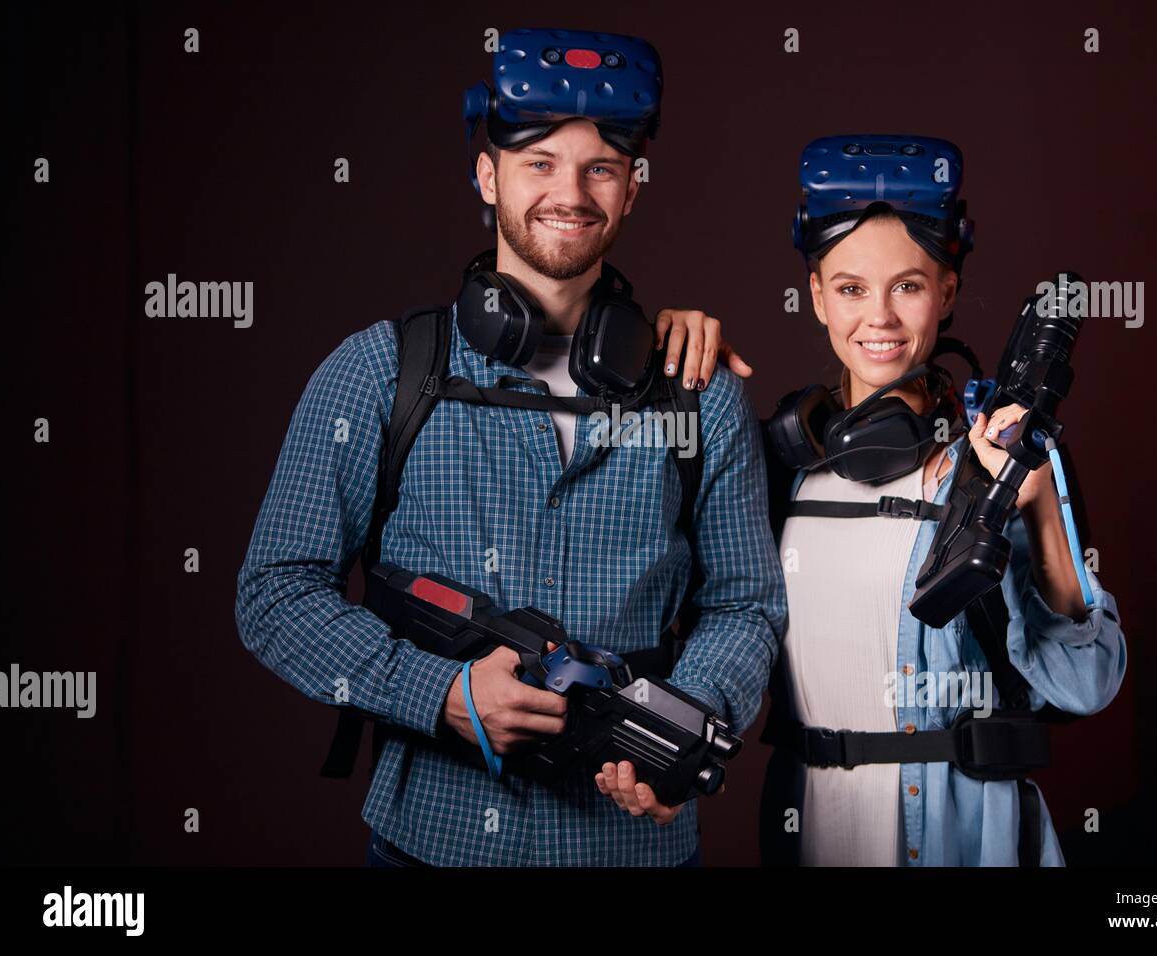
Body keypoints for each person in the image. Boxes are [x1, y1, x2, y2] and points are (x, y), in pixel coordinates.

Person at [234, 29, 785, 867]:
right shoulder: (383, 372)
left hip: (630, 850)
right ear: (487, 174)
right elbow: (274, 592)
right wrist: (438, 693)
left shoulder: (700, 392)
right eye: (539, 162)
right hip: (430, 844)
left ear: (633, 188)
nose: (571, 192)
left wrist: (676, 731)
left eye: (601, 166)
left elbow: (746, 605)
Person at [757, 135, 1127, 866]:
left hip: (962, 837)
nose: (881, 317)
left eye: (909, 285)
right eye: (852, 287)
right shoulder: (783, 469)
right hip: (814, 829)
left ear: (948, 290)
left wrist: (1039, 505)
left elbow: (1086, 686)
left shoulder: (998, 456)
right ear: (815, 296)